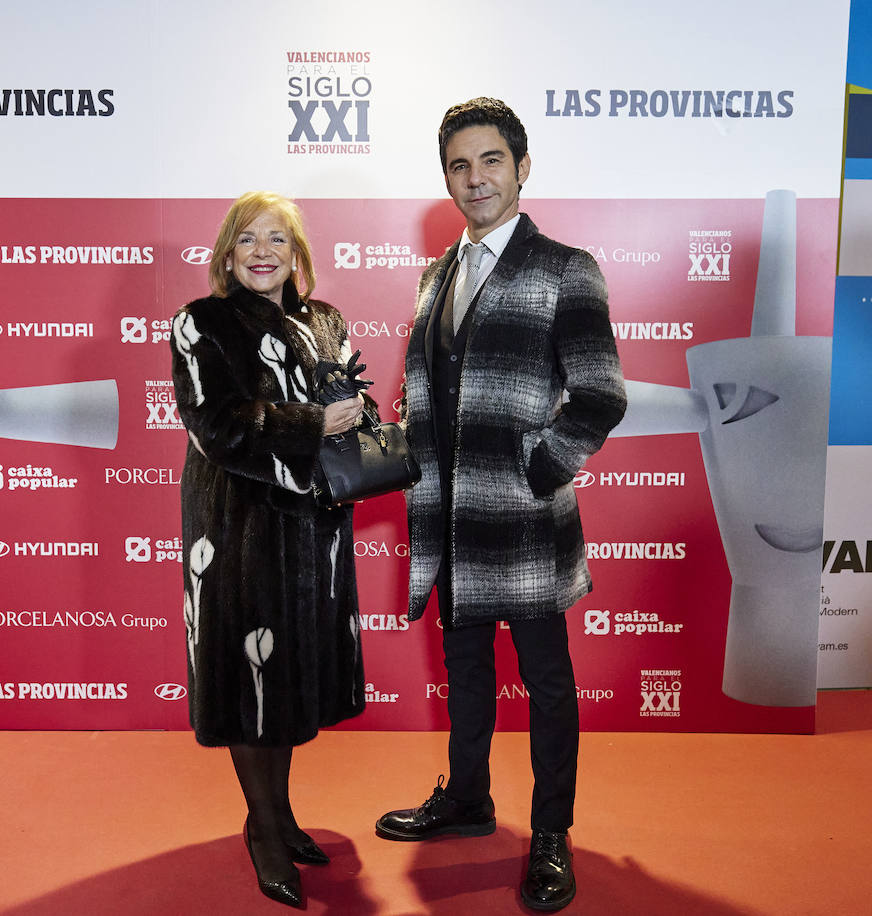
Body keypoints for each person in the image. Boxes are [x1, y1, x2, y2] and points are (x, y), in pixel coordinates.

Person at [375, 98, 627, 912]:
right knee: (466, 667)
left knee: (548, 681)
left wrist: (539, 467)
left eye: (490, 161)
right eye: (458, 165)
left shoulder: (566, 267)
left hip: (522, 520)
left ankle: (551, 834)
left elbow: (599, 395)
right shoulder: (435, 274)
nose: (474, 178)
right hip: (448, 514)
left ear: (522, 167)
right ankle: (469, 798)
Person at [170, 191, 368, 909]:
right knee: (247, 678)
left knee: (281, 682)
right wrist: (313, 420)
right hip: (238, 526)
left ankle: (281, 816)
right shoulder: (201, 322)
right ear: (227, 253)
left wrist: (358, 413)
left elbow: (359, 403)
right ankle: (261, 828)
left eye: (276, 241)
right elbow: (217, 426)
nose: (262, 252)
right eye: (247, 239)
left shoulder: (325, 321)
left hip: (312, 531)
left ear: (297, 255)